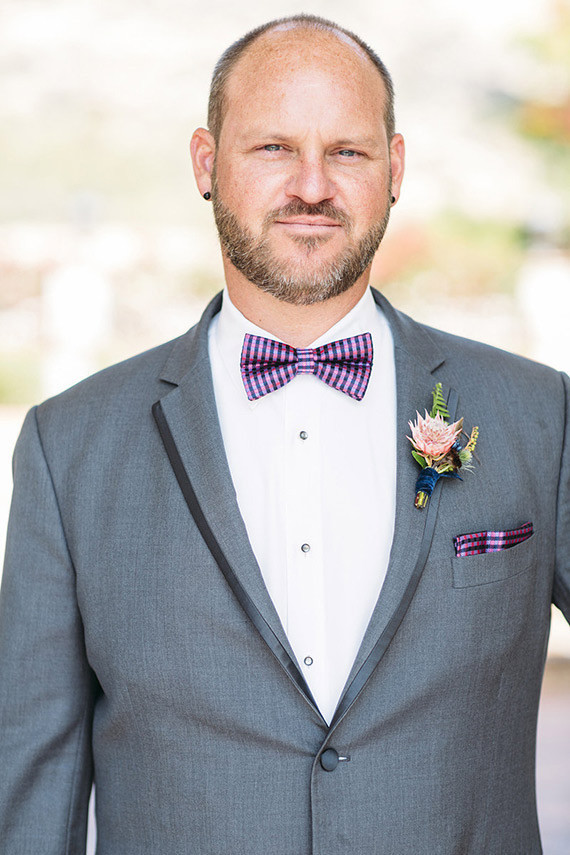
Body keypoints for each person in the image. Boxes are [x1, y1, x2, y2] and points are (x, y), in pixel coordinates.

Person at [0, 14, 568, 855]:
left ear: (395, 168)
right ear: (206, 163)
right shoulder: (68, 449)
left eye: (347, 151)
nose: (312, 185)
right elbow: (30, 794)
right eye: (273, 148)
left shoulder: (540, 415)